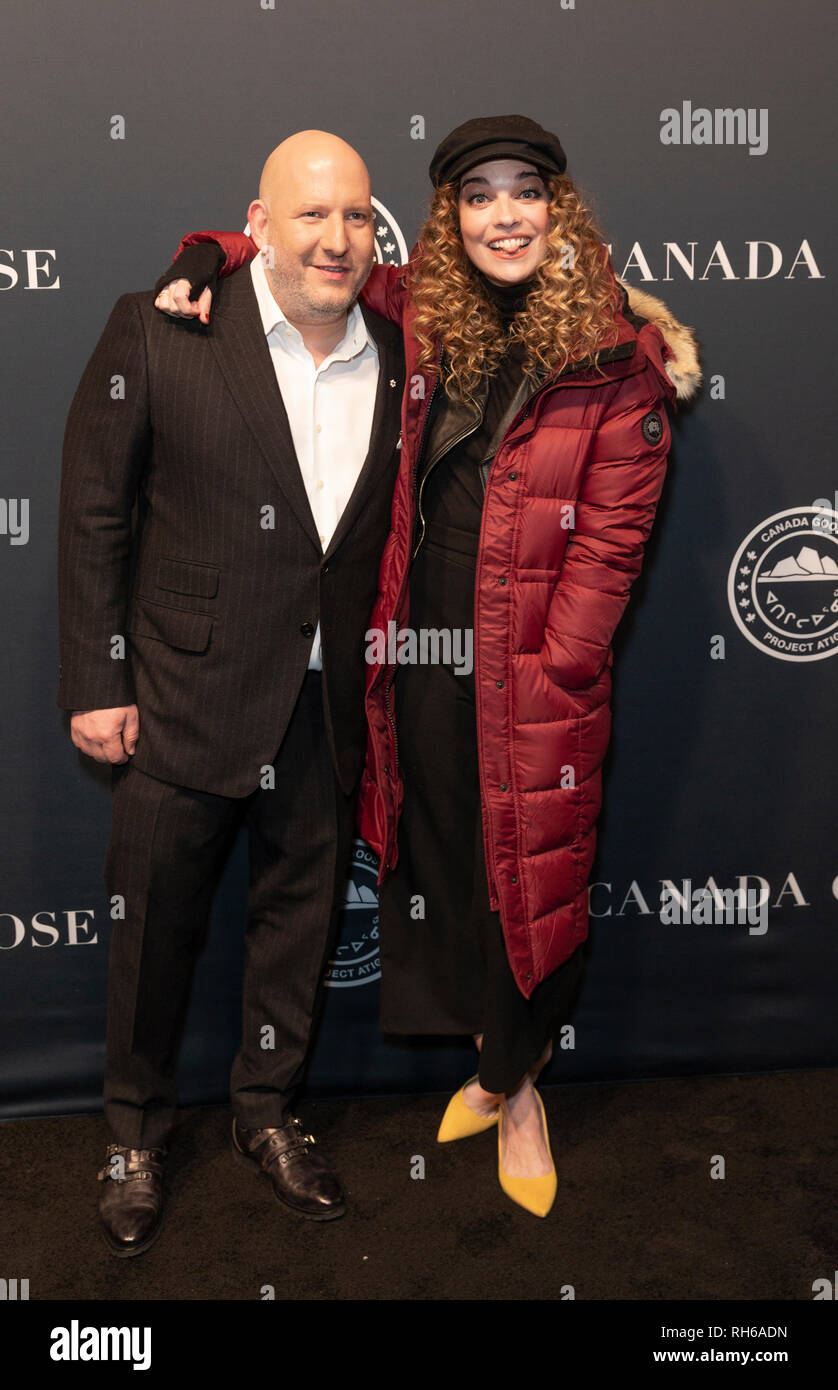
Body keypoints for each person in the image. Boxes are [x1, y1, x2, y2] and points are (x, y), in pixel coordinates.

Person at [155, 114, 701, 1218]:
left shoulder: (614, 352)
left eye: (525, 190)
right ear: (451, 216)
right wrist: (198, 257)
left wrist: (563, 662)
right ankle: (493, 1065)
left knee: (529, 881)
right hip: (415, 651)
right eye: (478, 195)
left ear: (559, 205)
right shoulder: (421, 304)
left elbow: (611, 540)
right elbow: (299, 252)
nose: (505, 214)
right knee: (448, 864)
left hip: (533, 667)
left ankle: (515, 1084)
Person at [57, 131, 405, 1255]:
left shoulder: (399, 355)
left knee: (297, 928)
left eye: (355, 215)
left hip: (323, 704)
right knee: (153, 935)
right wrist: (100, 680)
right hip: (179, 693)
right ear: (256, 223)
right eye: (311, 215)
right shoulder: (162, 326)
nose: (336, 237)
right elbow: (96, 514)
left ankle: (266, 1111)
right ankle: (135, 1134)